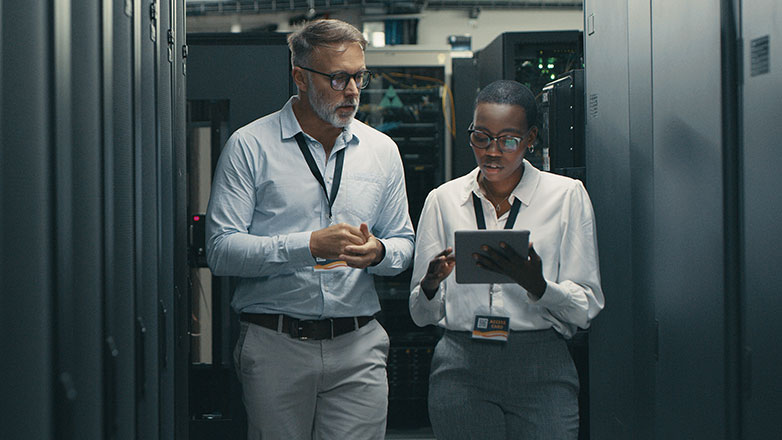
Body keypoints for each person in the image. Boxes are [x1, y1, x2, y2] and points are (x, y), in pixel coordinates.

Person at [206, 19, 415, 440]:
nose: (352, 91)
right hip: (276, 345)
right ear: (300, 77)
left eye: (359, 77)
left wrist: (378, 253)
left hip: (358, 345)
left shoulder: (382, 151)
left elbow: (403, 243)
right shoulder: (250, 146)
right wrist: (309, 245)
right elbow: (221, 251)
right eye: (337, 78)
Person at [409, 80, 604, 439]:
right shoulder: (444, 200)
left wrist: (539, 286)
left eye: (509, 140)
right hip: (461, 364)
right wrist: (431, 284)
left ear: (531, 139)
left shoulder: (566, 196)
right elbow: (421, 315)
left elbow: (586, 308)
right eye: (481, 138)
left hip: (541, 365)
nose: (492, 152)